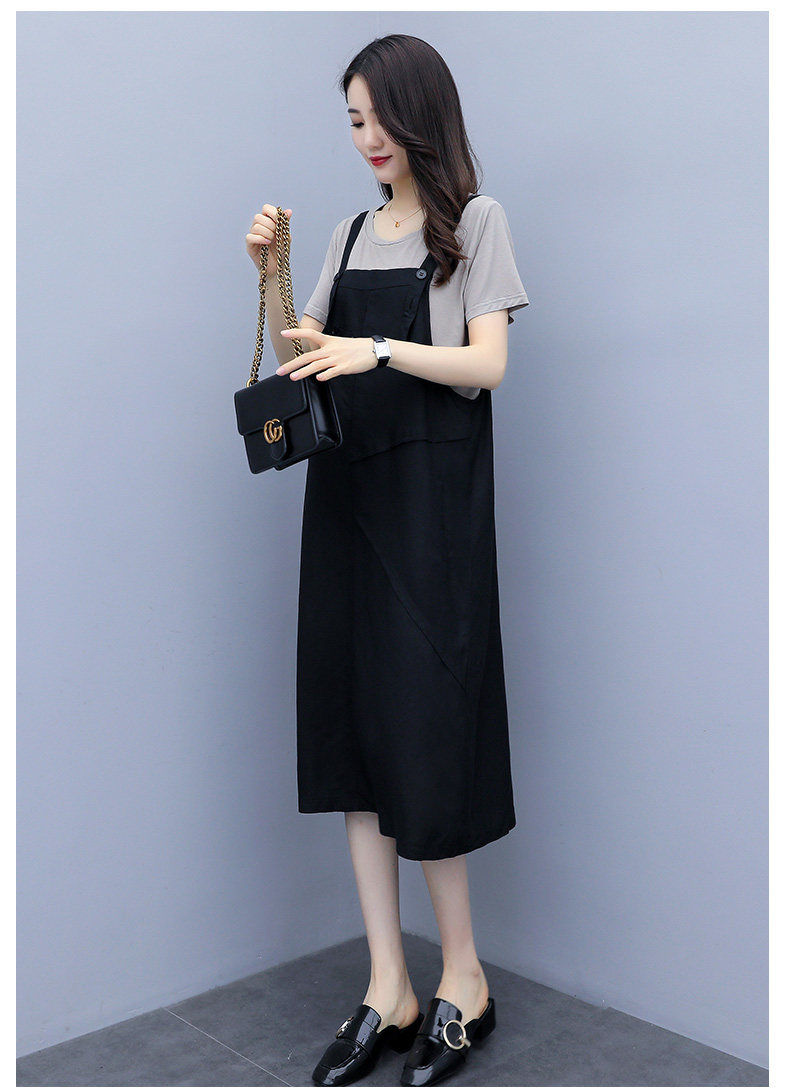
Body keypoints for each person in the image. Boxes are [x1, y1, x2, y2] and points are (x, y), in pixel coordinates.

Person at [244, 33, 529, 1088]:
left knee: (424, 735)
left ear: (418, 114)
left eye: (376, 118)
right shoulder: (350, 231)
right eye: (353, 122)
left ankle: (465, 976)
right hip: (349, 504)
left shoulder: (476, 223)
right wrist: (272, 277)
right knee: (357, 734)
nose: (365, 139)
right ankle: (388, 986)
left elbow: (488, 364)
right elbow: (301, 354)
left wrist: (377, 348)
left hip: (431, 516)